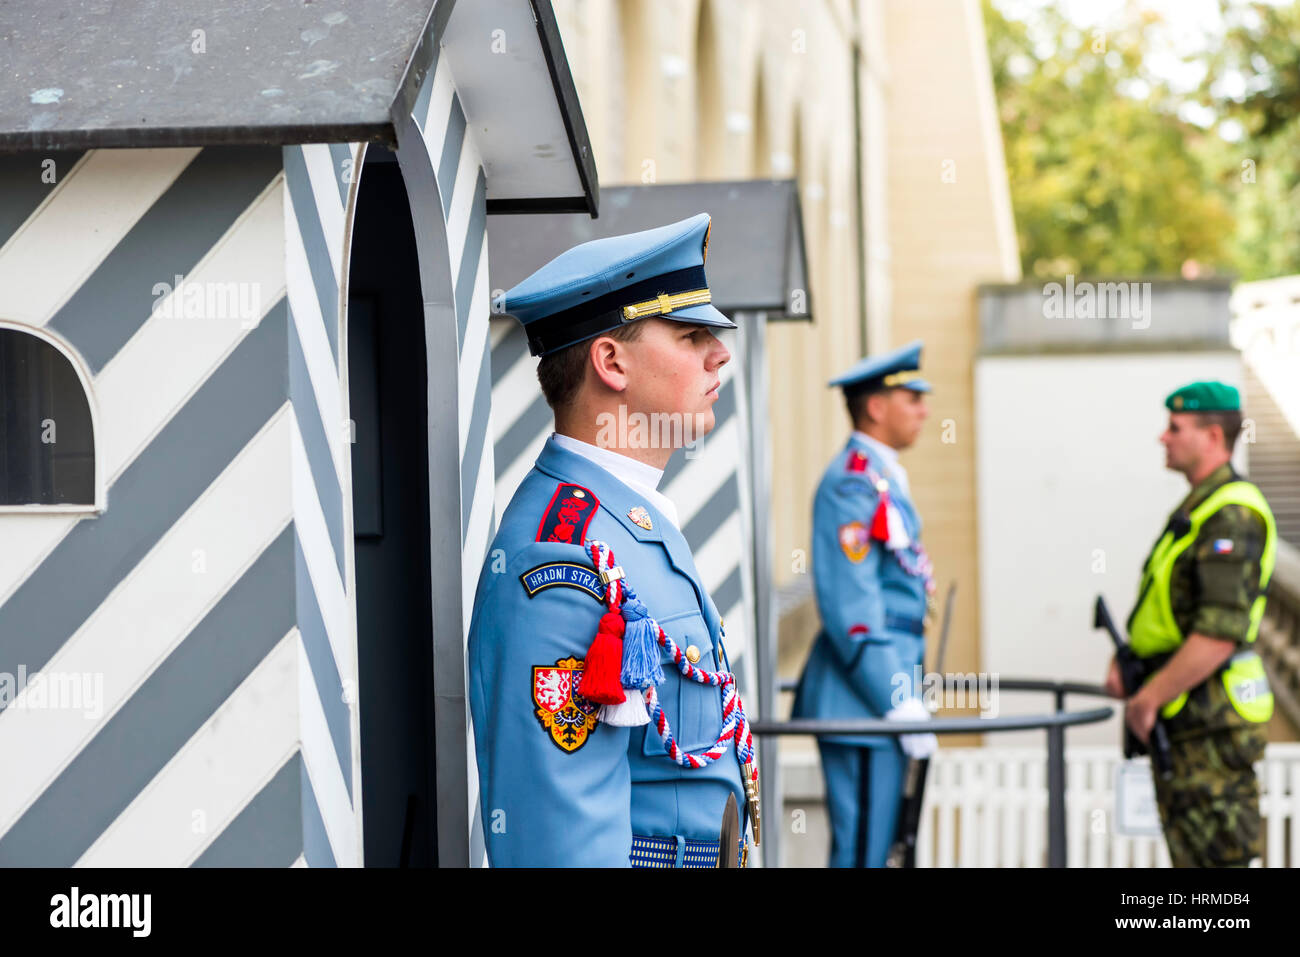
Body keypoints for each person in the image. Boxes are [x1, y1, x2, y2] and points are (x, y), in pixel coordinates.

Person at [468, 212, 759, 867]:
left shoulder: (628, 519)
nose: (720, 353)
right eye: (690, 335)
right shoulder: (563, 553)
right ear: (611, 362)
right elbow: (558, 835)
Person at [1105, 380, 1276, 867]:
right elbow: (1172, 613)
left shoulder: (1232, 514)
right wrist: (1133, 662)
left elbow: (1219, 632)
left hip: (1210, 725)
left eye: (1175, 428)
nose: (1164, 437)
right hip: (1192, 721)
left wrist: (1148, 698)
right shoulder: (1201, 507)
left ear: (1213, 438)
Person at [792, 341, 939, 868]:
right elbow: (851, 604)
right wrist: (896, 699)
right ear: (876, 406)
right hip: (863, 698)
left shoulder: (879, 475)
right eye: (912, 397)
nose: (925, 409)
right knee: (862, 854)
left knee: (880, 849)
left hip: (882, 691)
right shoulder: (852, 482)